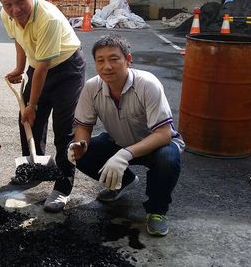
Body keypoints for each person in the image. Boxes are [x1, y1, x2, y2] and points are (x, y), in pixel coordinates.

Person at [66, 34, 183, 236]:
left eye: (114, 59)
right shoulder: (92, 87)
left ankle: (157, 210)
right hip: (118, 141)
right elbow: (83, 126)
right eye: (100, 60)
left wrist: (125, 155)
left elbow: (163, 134)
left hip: (155, 145)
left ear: (128, 60)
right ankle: (124, 181)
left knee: (168, 159)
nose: (107, 66)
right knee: (80, 155)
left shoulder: (148, 84)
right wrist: (80, 144)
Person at [0, 0, 86, 211]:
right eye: (7, 4)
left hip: (67, 69)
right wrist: (19, 67)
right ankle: (36, 169)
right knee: (27, 122)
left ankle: (63, 186)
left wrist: (32, 105)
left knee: (64, 128)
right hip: (39, 66)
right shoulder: (7, 15)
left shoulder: (49, 18)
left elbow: (44, 68)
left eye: (20, 1)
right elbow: (19, 38)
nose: (14, 9)